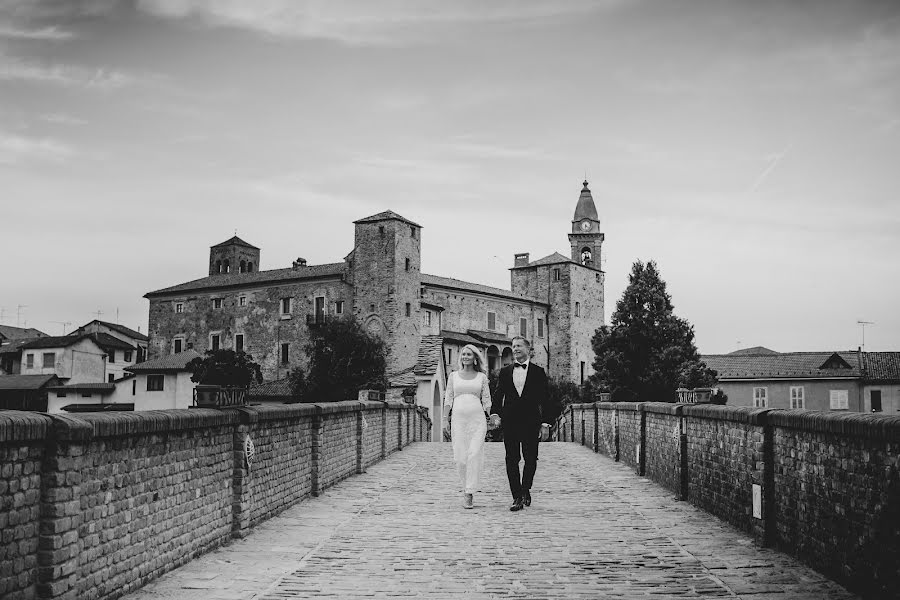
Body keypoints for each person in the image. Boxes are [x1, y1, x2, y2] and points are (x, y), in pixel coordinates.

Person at [490, 336, 554, 512]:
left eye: (519, 346)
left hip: (531, 421)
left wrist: (546, 423)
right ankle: (516, 496)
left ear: (528, 349)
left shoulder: (538, 372)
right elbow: (498, 395)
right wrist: (495, 414)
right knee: (511, 459)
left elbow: (546, 399)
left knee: (530, 459)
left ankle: (526, 489)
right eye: (513, 346)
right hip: (510, 421)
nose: (515, 349)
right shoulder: (505, 372)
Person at [442, 344, 491, 509]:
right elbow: (448, 398)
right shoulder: (453, 376)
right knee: (461, 457)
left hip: (477, 420)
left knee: (474, 453)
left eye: (469, 354)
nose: (465, 357)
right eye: (463, 354)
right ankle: (465, 487)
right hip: (458, 420)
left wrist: (492, 416)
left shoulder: (481, 377)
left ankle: (469, 492)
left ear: (475, 357)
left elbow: (486, 400)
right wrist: (444, 419)